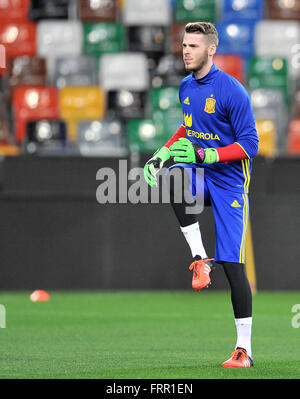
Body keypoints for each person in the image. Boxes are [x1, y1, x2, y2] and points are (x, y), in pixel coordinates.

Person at [144, 22, 259, 368]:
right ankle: (199, 258)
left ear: (211, 50)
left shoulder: (232, 91)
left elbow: (251, 144)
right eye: (183, 45)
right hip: (202, 175)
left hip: (230, 185)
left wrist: (210, 155)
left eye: (193, 46)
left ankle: (244, 350)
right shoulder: (185, 87)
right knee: (176, 178)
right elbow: (187, 126)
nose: (185, 51)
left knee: (234, 268)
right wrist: (162, 153)